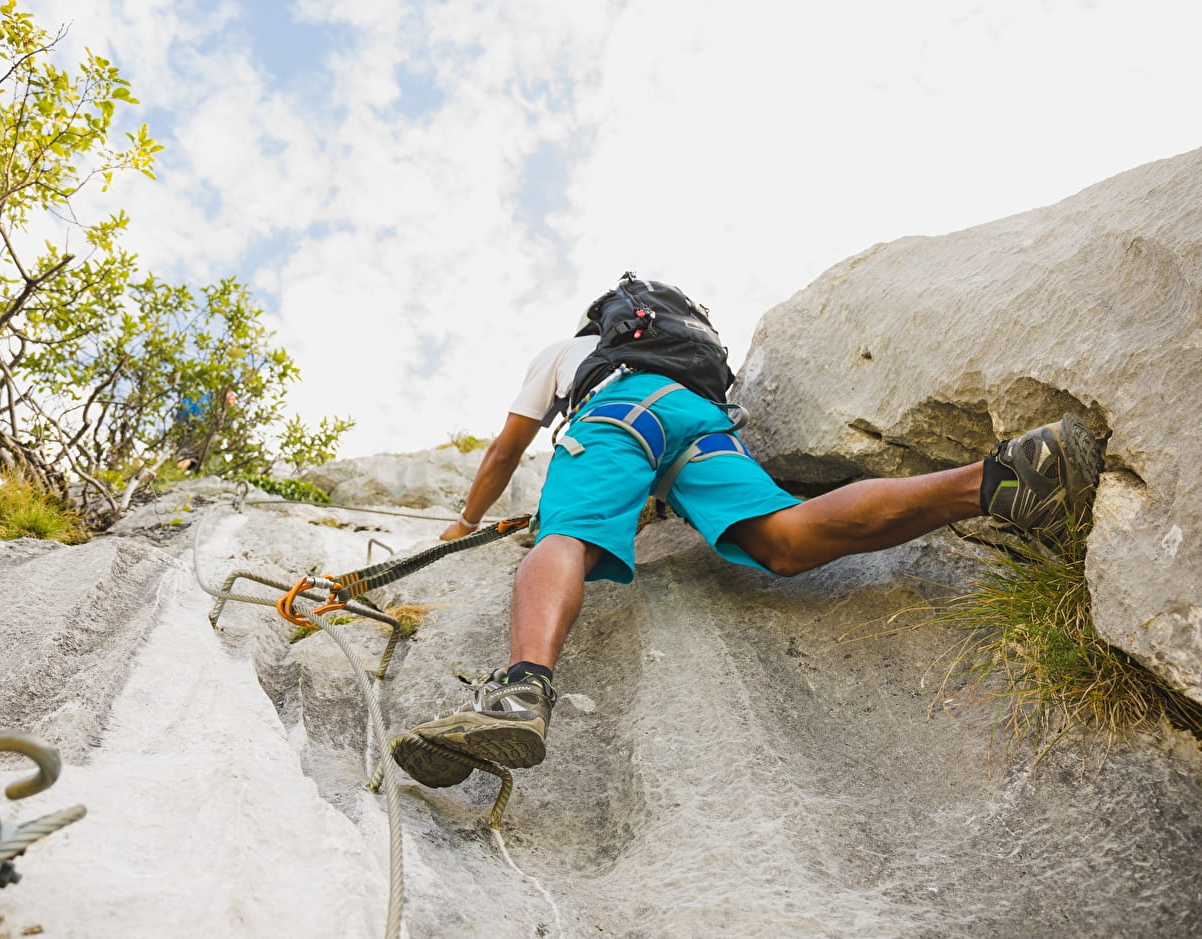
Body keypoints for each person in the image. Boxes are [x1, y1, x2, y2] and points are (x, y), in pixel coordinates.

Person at [391, 275, 1103, 788]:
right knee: (781, 537)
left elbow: (505, 451)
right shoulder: (682, 356)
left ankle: (520, 690)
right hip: (698, 419)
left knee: (566, 532)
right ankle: (1002, 479)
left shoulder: (563, 353)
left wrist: (464, 522)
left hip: (615, 414)